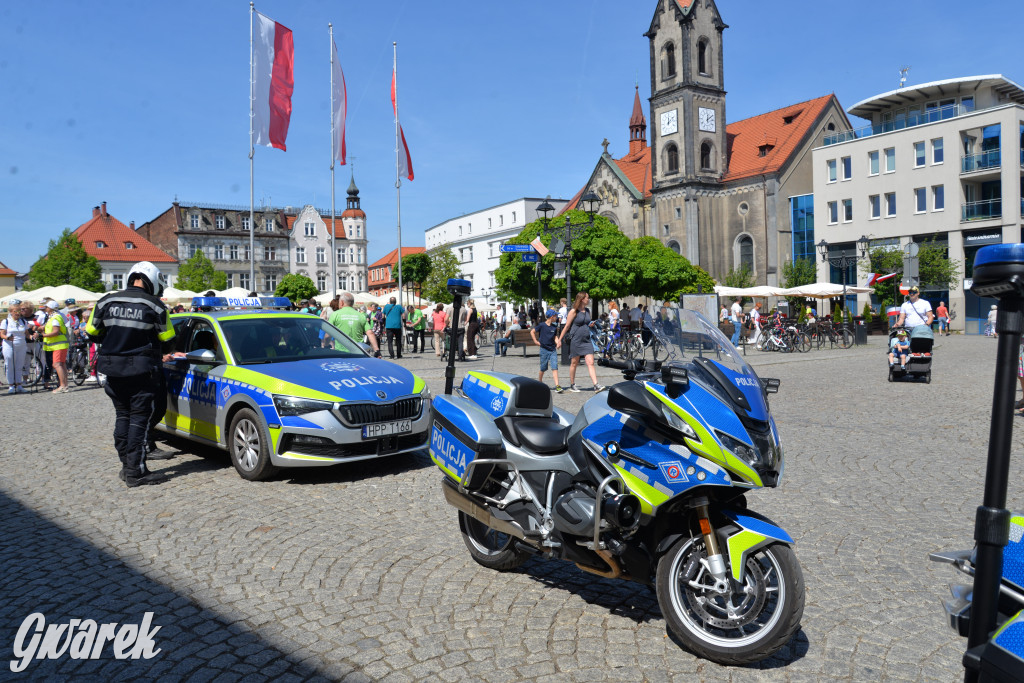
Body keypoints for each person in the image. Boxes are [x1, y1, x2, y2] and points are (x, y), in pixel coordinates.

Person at [86, 261, 183, 488]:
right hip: (141, 372)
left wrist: (112, 339)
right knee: (139, 421)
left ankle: (126, 466)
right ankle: (135, 472)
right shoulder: (155, 306)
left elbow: (91, 332)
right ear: (152, 281)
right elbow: (169, 341)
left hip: (112, 370)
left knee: (122, 416)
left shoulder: (106, 301)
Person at [558, 292, 604, 393]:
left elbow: (586, 322)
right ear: (582, 299)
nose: (589, 299)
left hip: (587, 339)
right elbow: (566, 327)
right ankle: (572, 384)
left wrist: (590, 324)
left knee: (590, 362)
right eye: (587, 298)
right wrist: (559, 340)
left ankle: (596, 385)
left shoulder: (587, 310)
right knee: (574, 363)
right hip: (576, 340)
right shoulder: (573, 311)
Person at [39, 300, 70, 393]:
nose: (45, 308)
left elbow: (56, 332)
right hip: (60, 344)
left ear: (50, 308)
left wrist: (43, 335)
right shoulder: (54, 316)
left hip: (58, 344)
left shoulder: (55, 318)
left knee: (57, 364)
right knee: (62, 364)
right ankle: (65, 385)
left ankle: (63, 386)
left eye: (47, 307)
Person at [1, 299, 30, 394]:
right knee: (9, 364)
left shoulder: (23, 321)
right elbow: (2, 334)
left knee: (19, 365)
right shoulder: (6, 321)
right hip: (9, 345)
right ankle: (11, 385)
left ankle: (19, 384)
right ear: (11, 312)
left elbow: (26, 333)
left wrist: (32, 336)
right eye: (16, 311)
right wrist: (7, 337)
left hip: (21, 345)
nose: (18, 313)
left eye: (20, 311)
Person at [532, 309, 562, 392]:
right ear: (552, 317)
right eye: (556, 316)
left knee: (555, 366)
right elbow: (532, 331)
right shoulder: (541, 325)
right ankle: (540, 382)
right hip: (544, 350)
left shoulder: (554, 327)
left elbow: (555, 337)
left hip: (552, 350)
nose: (557, 317)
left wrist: (558, 342)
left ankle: (557, 385)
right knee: (543, 368)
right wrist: (535, 341)